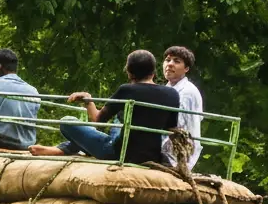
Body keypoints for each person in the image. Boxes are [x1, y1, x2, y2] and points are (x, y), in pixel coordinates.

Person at [29, 49, 179, 164]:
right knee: (120, 118)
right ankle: (67, 148)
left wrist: (88, 100)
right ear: (154, 71)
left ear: (129, 73)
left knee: (67, 121)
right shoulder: (172, 94)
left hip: (117, 153)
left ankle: (65, 149)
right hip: (152, 155)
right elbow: (171, 129)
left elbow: (97, 120)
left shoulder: (127, 90)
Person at [162, 46, 203, 169]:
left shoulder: (187, 92)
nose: (169, 64)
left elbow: (180, 127)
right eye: (167, 60)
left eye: (176, 61)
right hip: (165, 144)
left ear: (186, 68)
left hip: (176, 153)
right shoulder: (168, 88)